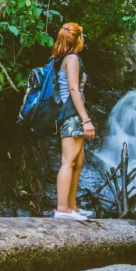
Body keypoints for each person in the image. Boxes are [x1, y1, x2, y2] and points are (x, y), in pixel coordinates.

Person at [52, 22, 96, 221]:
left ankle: (72, 207)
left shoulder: (67, 58)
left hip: (72, 114)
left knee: (78, 161)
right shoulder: (72, 58)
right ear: (77, 38)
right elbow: (73, 90)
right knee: (68, 161)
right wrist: (86, 119)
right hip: (71, 113)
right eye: (83, 36)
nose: (84, 39)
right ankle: (62, 209)